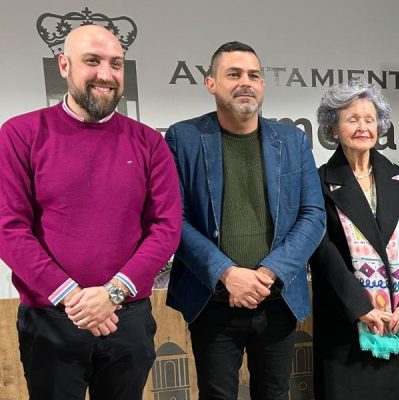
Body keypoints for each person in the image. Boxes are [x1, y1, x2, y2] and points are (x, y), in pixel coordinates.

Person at [0, 24, 182, 400]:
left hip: (126, 317)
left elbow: (165, 228)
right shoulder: (20, 134)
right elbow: (9, 229)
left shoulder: (149, 142)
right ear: (64, 66)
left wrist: (111, 294)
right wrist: (73, 298)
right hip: (51, 318)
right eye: (92, 61)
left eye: (116, 64)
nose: (106, 74)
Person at [165, 41, 325, 400]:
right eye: (233, 74)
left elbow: (313, 215)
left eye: (254, 75)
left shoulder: (292, 140)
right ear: (211, 83)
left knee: (274, 393)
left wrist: (268, 273)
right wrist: (227, 273)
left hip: (277, 298)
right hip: (214, 301)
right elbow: (175, 219)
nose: (245, 83)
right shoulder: (183, 138)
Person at [309, 82, 399, 400]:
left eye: (369, 118)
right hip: (349, 322)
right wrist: (361, 307)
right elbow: (323, 252)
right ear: (333, 128)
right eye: (352, 119)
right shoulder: (320, 182)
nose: (363, 126)